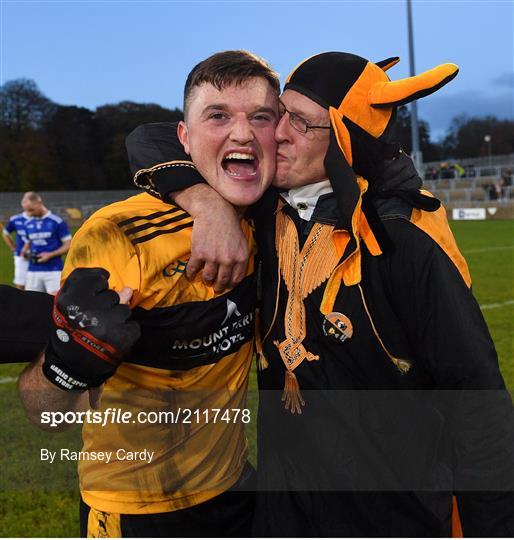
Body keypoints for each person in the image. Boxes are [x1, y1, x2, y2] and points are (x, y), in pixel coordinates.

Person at [127, 51, 514, 537]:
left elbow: (479, 407)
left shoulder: (404, 240)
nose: (279, 134)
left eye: (305, 124)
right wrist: (208, 207)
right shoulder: (266, 206)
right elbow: (148, 137)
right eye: (282, 114)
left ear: (346, 140)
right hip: (286, 512)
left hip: (393, 518)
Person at [18, 50, 279, 538]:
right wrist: (66, 363)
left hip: (237, 488)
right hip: (134, 509)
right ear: (184, 137)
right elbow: (46, 416)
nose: (242, 133)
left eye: (260, 117)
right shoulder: (117, 235)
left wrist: (214, 207)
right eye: (217, 116)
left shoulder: (272, 214)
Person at [21, 192, 72, 295]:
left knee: (54, 303)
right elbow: (28, 242)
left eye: (31, 210)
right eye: (26, 211)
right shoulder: (28, 223)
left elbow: (69, 244)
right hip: (32, 271)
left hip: (53, 270)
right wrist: (24, 251)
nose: (29, 214)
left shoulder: (57, 221)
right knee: (31, 303)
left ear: (39, 203)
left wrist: (50, 255)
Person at [1, 192, 33, 289]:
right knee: (20, 284)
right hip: (20, 256)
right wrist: (13, 248)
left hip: (38, 255)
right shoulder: (16, 219)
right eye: (26, 201)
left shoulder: (42, 219)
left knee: (35, 286)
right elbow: (5, 233)